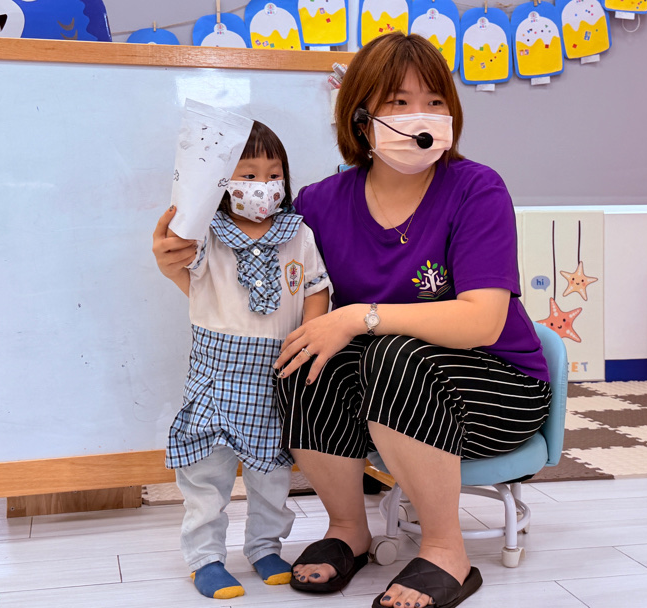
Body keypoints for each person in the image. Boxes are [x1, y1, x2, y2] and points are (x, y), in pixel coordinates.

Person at [273, 33, 552, 608]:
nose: (419, 116)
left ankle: (447, 550)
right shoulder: (319, 203)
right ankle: (347, 530)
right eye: (398, 102)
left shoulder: (476, 188)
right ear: (360, 117)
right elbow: (272, 291)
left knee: (388, 350)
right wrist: (184, 271)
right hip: (389, 391)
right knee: (306, 353)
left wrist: (361, 316)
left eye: (434, 100)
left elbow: (482, 322)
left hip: (499, 388)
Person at [152, 121, 331, 600]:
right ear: (222, 182)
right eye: (248, 176)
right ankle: (205, 558)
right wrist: (178, 226)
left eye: (273, 175)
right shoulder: (206, 235)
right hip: (215, 375)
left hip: (276, 373)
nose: (262, 187)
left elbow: (316, 287)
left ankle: (265, 547)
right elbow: (179, 260)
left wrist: (309, 337)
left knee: (272, 473)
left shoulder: (299, 234)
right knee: (205, 475)